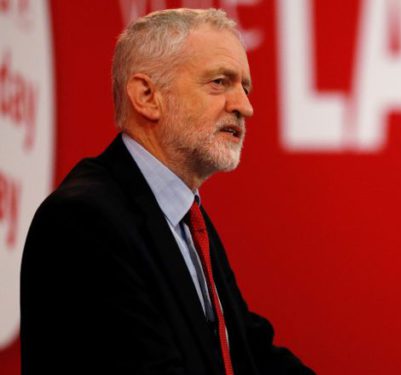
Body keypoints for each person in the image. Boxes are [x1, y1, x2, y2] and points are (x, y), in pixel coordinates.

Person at [20, 8, 314, 375]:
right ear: (147, 96)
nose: (245, 106)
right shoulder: (83, 222)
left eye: (245, 87)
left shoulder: (186, 217)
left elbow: (246, 348)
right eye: (220, 82)